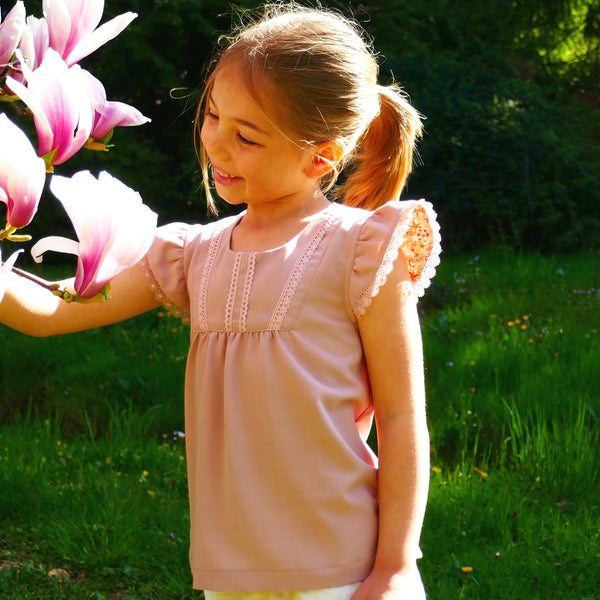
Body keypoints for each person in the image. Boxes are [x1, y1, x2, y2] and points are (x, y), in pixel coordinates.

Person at [0, 3, 441, 599]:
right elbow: (50, 313)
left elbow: (400, 416)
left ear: (321, 156)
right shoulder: (192, 255)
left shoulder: (362, 248)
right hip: (228, 576)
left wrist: (395, 566)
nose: (217, 145)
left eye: (247, 136)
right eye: (211, 117)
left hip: (346, 572)